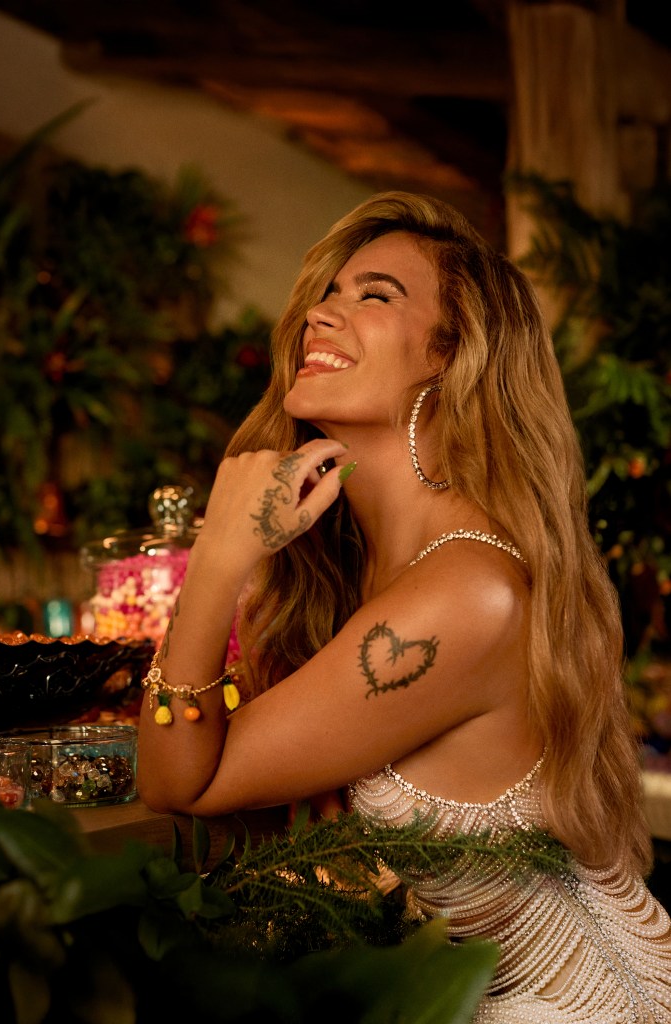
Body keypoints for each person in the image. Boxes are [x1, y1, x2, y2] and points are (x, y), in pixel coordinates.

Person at [137, 191, 671, 1020]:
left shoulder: (467, 593)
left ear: (448, 354)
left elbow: (179, 780)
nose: (321, 314)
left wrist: (216, 556)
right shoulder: (373, 570)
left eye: (372, 295)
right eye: (326, 294)